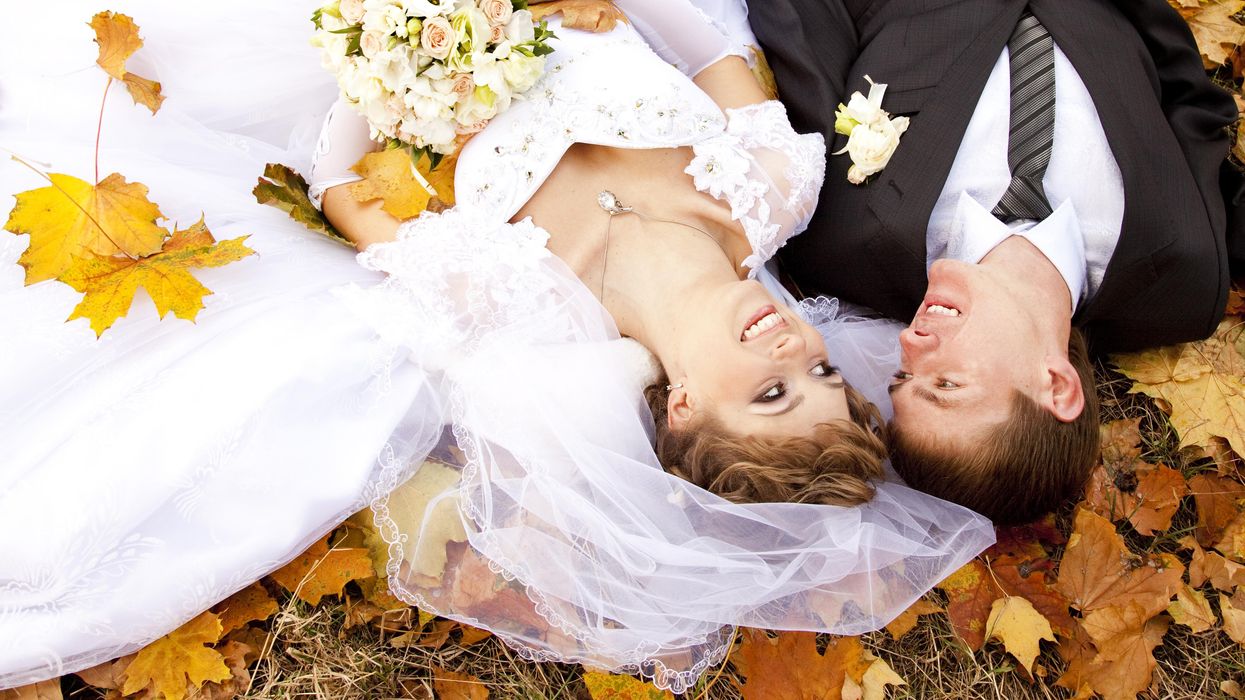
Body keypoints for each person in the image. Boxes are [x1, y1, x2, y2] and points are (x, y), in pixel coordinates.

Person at [0, 0, 993, 691]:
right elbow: (700, 47)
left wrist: (392, 61)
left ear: (684, 404)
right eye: (819, 370)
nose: (791, 348)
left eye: (771, 394)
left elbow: (341, 186)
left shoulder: (517, 297)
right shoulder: (772, 187)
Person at [748, 0, 1243, 525]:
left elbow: (808, 41)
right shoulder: (1185, 276)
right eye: (946, 384)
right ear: (1056, 385)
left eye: (901, 376)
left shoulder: (842, 242)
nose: (910, 344)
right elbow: (1195, 110)